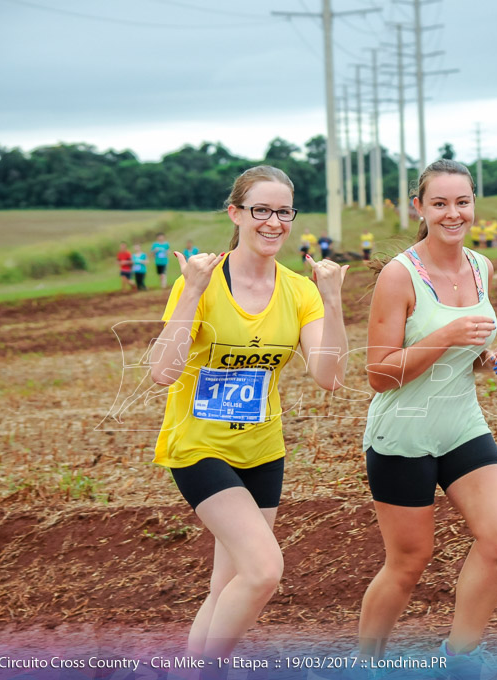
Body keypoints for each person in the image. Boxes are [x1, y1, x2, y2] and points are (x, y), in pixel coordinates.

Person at [149, 165, 349, 662]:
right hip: (198, 448)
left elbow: (329, 375)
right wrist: (192, 290)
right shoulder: (200, 281)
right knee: (262, 571)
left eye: (284, 212)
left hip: (262, 450)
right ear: (236, 213)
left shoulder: (299, 291)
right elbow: (161, 372)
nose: (273, 222)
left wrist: (332, 300)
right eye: (261, 210)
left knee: (227, 585)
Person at [358, 159, 497, 672]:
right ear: (419, 208)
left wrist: (493, 356)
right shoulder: (398, 275)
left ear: (474, 204)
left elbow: (468, 350)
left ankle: (461, 659)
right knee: (408, 564)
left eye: (463, 202)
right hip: (402, 434)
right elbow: (379, 374)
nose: (454, 213)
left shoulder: (482, 267)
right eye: (440, 203)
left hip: (461, 425)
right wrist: (442, 337)